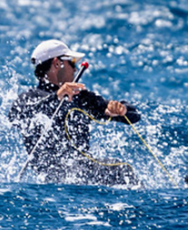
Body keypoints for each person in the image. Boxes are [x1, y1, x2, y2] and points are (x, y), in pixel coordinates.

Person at [8, 39, 141, 186]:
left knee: (122, 169)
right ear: (57, 63)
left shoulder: (80, 98)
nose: (75, 69)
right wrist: (57, 97)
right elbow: (15, 116)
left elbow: (135, 116)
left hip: (82, 175)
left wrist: (121, 109)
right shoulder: (29, 98)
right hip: (52, 179)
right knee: (122, 171)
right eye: (72, 63)